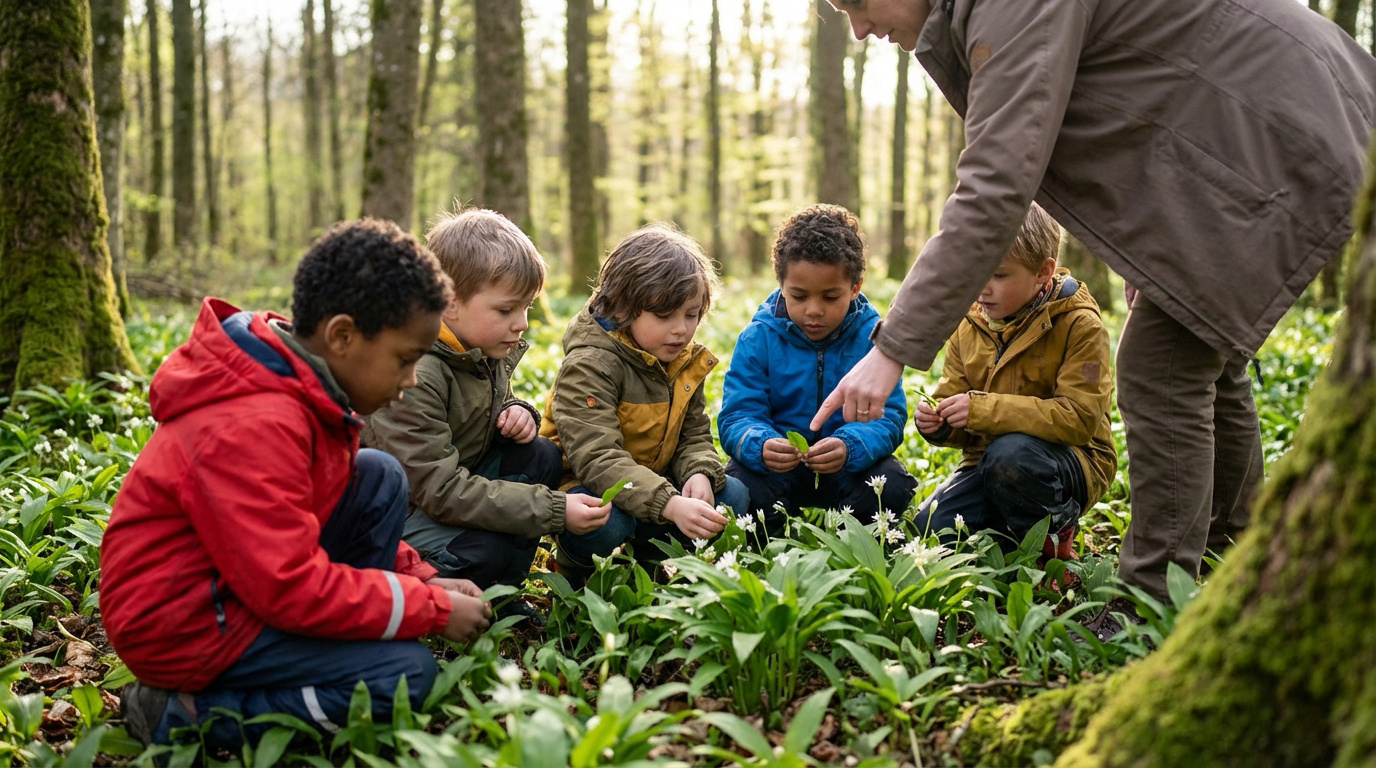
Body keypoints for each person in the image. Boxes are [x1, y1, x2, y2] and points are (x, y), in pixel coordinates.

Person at [816, 0, 1376, 640]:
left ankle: (1152, 603)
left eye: (856, 2)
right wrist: (1146, 245)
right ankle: (1234, 556)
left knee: (1162, 366)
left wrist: (890, 350)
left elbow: (997, 186)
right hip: (1257, 121)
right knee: (1202, 353)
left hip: (1273, 123)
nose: (858, 28)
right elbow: (1147, 93)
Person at [101, 219, 493, 750]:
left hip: (241, 587)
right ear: (342, 335)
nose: (410, 381)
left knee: (376, 474)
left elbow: (313, 518)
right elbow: (287, 584)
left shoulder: (303, 383)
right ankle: (180, 714)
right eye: (404, 360)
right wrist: (429, 609)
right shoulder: (255, 423)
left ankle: (338, 641)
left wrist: (420, 580)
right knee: (402, 678)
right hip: (188, 625)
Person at [361, 209, 609, 623]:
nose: (523, 324)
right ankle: (438, 597)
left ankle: (504, 596)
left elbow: (487, 407)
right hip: (402, 516)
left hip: (455, 483)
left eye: (527, 307)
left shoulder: (479, 342)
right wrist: (553, 509)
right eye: (507, 309)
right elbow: (438, 490)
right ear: (450, 303)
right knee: (487, 549)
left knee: (542, 455)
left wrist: (516, 412)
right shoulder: (415, 372)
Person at [539, 224, 752, 583]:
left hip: (655, 481)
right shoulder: (590, 364)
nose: (681, 330)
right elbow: (596, 458)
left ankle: (648, 568)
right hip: (586, 486)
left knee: (732, 494)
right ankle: (576, 573)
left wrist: (698, 471)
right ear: (623, 308)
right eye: (664, 315)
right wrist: (669, 503)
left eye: (691, 314)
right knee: (606, 518)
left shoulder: (681, 359)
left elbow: (694, 433)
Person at [911, 204, 1115, 570]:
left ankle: (1054, 549)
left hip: (1070, 462)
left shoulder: (1081, 325)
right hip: (987, 463)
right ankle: (1013, 536)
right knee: (932, 530)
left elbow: (1079, 419)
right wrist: (940, 424)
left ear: (1043, 272)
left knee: (1013, 456)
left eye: (999, 275)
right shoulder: (971, 322)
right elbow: (956, 402)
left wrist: (982, 409)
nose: (983, 288)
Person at [718, 204, 917, 539]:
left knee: (892, 485)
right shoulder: (758, 337)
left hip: (848, 470)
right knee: (739, 486)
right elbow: (737, 415)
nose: (813, 310)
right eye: (798, 295)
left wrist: (850, 446)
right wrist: (761, 444)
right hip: (778, 471)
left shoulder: (874, 341)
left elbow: (890, 417)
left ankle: (851, 539)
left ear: (855, 287)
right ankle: (773, 540)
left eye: (830, 296)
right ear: (781, 284)